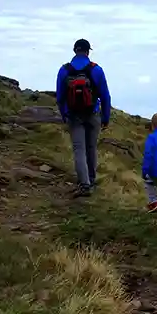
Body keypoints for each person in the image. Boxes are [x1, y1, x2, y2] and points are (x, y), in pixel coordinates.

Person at [56, 38, 112, 197]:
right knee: (91, 148)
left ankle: (84, 184)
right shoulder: (96, 70)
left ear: (74, 51)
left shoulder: (64, 70)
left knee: (79, 149)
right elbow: (106, 96)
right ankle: (92, 180)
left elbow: (60, 98)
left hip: (74, 116)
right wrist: (105, 118)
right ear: (88, 52)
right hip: (93, 114)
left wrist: (64, 115)